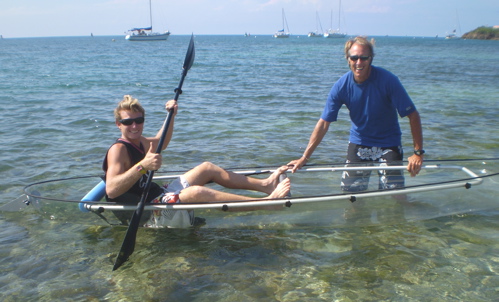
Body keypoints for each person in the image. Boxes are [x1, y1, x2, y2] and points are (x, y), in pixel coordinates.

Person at [103, 95, 291, 228]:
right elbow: (111, 190)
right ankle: (266, 203)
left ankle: (265, 185)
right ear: (118, 124)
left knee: (206, 168)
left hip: (157, 194)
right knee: (196, 192)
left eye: (139, 120)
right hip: (149, 210)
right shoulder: (118, 150)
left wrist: (171, 115)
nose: (134, 126)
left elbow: (162, 142)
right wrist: (142, 166)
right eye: (128, 122)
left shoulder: (140, 141)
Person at [288, 36, 423, 192]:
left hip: (389, 143)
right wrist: (304, 158)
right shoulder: (341, 86)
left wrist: (418, 153)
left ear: (371, 58)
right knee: (350, 196)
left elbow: (413, 115)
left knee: (395, 197)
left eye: (363, 58)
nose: (359, 63)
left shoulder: (389, 81)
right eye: (354, 58)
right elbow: (324, 123)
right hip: (359, 142)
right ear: (348, 59)